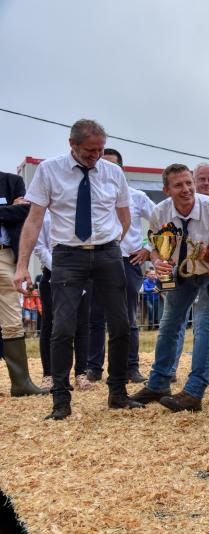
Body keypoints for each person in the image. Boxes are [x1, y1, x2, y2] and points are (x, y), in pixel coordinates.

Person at [14, 119, 142, 420]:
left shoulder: (114, 173)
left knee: (121, 324)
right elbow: (33, 221)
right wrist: (22, 266)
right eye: (89, 150)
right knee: (62, 327)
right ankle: (61, 400)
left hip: (108, 254)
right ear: (72, 145)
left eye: (99, 149)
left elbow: (125, 217)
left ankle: (118, 392)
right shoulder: (49, 171)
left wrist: (110, 244)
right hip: (68, 256)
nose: (95, 155)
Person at [130, 163, 209, 412]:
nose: (187, 190)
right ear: (166, 190)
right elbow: (156, 247)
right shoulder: (160, 213)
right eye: (178, 185)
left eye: (189, 183)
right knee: (169, 325)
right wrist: (158, 261)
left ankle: (194, 391)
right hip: (179, 274)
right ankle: (159, 383)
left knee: (204, 325)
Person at [86, 148, 155, 384]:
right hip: (95, 260)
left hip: (128, 261)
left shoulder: (137, 196)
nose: (105, 170)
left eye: (112, 166)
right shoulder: (87, 196)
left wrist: (148, 249)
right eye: (101, 164)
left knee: (128, 318)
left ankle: (130, 367)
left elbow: (162, 221)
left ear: (121, 170)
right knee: (95, 317)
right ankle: (94, 368)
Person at [33, 210, 93, 391]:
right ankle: (48, 375)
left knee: (82, 325)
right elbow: (40, 247)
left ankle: (81, 373)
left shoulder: (81, 212)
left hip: (82, 275)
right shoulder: (43, 215)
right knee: (49, 325)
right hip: (51, 275)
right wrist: (59, 269)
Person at [0, 169, 46, 396]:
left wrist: (15, 209)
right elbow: (14, 211)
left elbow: (25, 212)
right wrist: (8, 209)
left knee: (11, 319)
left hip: (5, 256)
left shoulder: (12, 181)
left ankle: (20, 383)